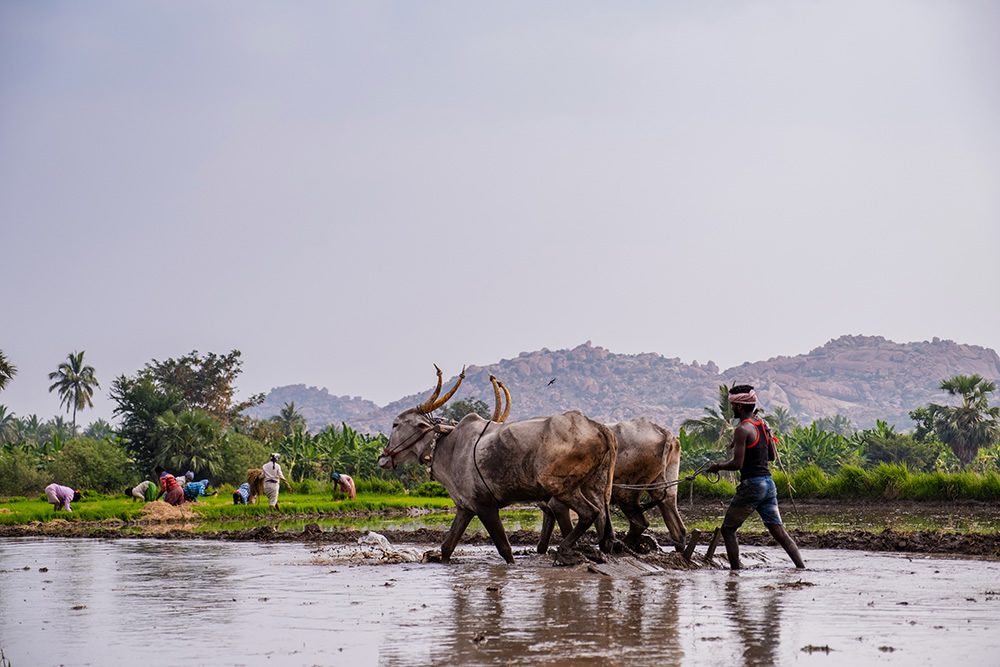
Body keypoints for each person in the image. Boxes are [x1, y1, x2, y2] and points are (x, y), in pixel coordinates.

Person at [706, 385, 805, 570]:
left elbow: (737, 465)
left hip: (752, 485)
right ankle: (801, 567)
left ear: (740, 407)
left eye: (733, 405)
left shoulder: (742, 429)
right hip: (768, 484)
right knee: (779, 531)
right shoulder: (762, 426)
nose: (732, 409)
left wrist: (717, 467)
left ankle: (734, 575)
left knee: (728, 530)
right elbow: (771, 457)